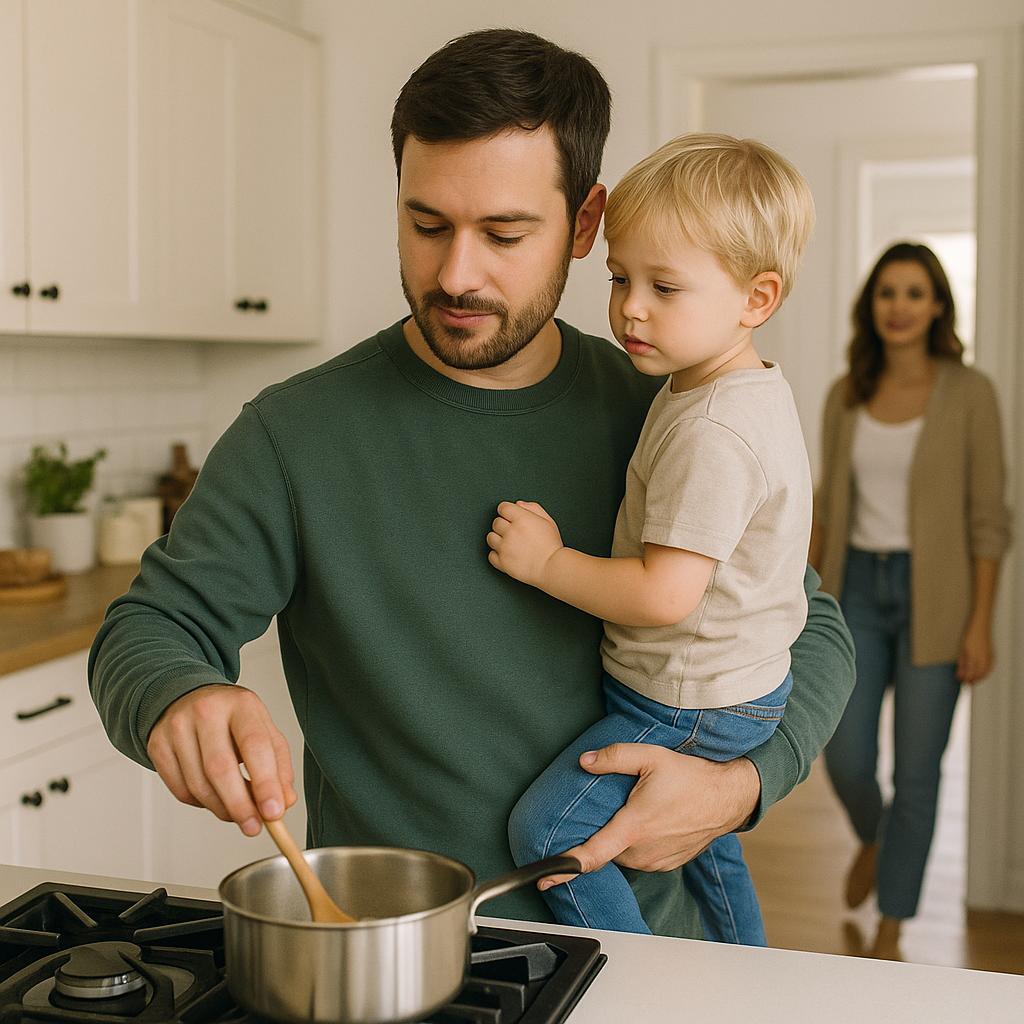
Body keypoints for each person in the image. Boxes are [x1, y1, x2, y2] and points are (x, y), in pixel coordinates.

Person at [89, 28, 855, 935]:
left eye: (503, 233)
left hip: (654, 953)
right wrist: (182, 696)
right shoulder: (294, 434)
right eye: (425, 225)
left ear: (583, 225)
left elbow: (809, 625)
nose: (456, 273)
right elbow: (148, 628)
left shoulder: (668, 413)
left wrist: (740, 787)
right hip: (402, 952)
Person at [486, 133, 814, 944]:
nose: (631, 306)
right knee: (710, 851)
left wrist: (549, 563)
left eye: (664, 286)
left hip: (688, 700)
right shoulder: (730, 386)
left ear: (756, 299)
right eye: (621, 278)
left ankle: (627, 969)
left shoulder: (713, 428)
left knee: (548, 834)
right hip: (735, 687)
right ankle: (750, 970)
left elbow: (667, 595)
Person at [810, 241, 1012, 956]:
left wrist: (981, 623)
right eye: (887, 292)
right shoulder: (846, 394)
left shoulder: (970, 392)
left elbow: (990, 519)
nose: (900, 306)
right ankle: (876, 835)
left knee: (918, 771)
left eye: (915, 293)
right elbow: (827, 508)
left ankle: (892, 926)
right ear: (872, 305)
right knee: (846, 756)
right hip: (855, 591)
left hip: (939, 596)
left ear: (937, 306)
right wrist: (803, 603)